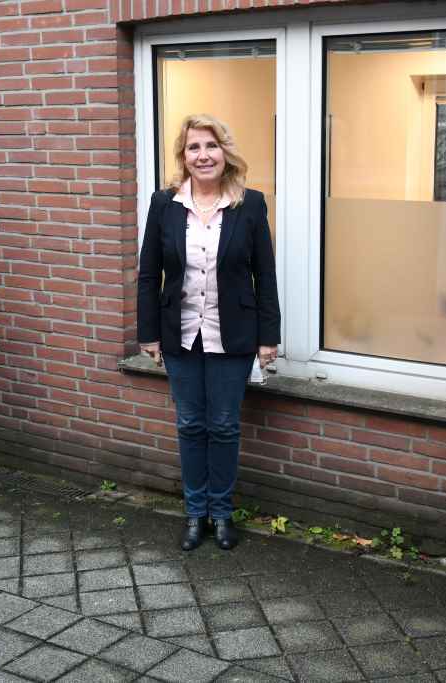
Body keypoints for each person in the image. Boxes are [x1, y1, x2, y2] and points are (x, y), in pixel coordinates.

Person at [137, 114, 280, 551]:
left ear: (225, 153)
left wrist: (268, 337)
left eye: (211, 146)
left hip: (232, 335)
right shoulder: (165, 204)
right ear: (183, 157)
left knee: (223, 425)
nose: (203, 155)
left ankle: (221, 513)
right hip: (178, 334)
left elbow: (265, 274)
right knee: (189, 423)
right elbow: (149, 275)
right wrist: (148, 334)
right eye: (194, 147)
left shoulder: (249, 204)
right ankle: (194, 513)